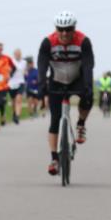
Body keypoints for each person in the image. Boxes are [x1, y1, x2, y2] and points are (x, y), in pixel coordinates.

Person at [37, 10, 95, 176]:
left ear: (74, 28)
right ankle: (54, 159)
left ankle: (81, 124)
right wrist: (42, 86)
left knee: (88, 97)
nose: (64, 33)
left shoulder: (83, 41)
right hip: (56, 80)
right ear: (56, 28)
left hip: (77, 78)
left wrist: (88, 86)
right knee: (55, 120)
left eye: (68, 29)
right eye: (60, 29)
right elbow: (42, 66)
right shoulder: (48, 42)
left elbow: (88, 65)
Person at [8, 48, 26, 124]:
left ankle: (17, 116)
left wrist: (25, 73)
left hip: (20, 82)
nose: (18, 55)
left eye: (19, 54)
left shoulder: (24, 62)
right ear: (14, 54)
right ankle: (14, 113)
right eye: (16, 54)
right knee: (13, 101)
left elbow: (24, 71)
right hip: (11, 83)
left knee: (18, 99)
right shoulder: (11, 61)